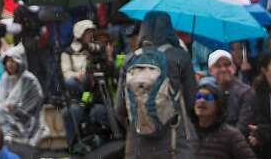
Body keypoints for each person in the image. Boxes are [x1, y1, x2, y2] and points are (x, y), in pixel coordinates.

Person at [114, 11, 195, 159]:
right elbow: (190, 102)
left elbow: (119, 108)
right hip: (173, 141)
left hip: (138, 144)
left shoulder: (130, 59)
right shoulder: (179, 56)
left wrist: (141, 121)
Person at [60, 19, 111, 147]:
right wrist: (79, 76)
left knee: (98, 111)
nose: (90, 36)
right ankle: (73, 145)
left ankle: (103, 143)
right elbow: (66, 74)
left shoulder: (96, 50)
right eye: (87, 32)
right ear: (79, 34)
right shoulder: (68, 52)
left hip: (95, 93)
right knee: (71, 109)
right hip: (79, 92)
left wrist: (107, 57)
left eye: (91, 33)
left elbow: (108, 70)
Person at [0, 45, 45, 147]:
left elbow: (33, 107)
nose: (9, 64)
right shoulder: (5, 78)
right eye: (8, 61)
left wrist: (15, 109)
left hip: (27, 122)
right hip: (6, 117)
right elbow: (0, 99)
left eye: (13, 61)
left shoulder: (29, 80)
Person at [192, 80, 256, 159]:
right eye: (198, 97)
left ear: (218, 105)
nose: (201, 101)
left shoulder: (231, 135)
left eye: (207, 97)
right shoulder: (187, 133)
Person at [207, 49, 254, 129]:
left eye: (227, 65)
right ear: (211, 71)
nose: (223, 69)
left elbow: (243, 127)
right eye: (218, 66)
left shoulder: (246, 92)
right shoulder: (208, 93)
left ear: (234, 68)